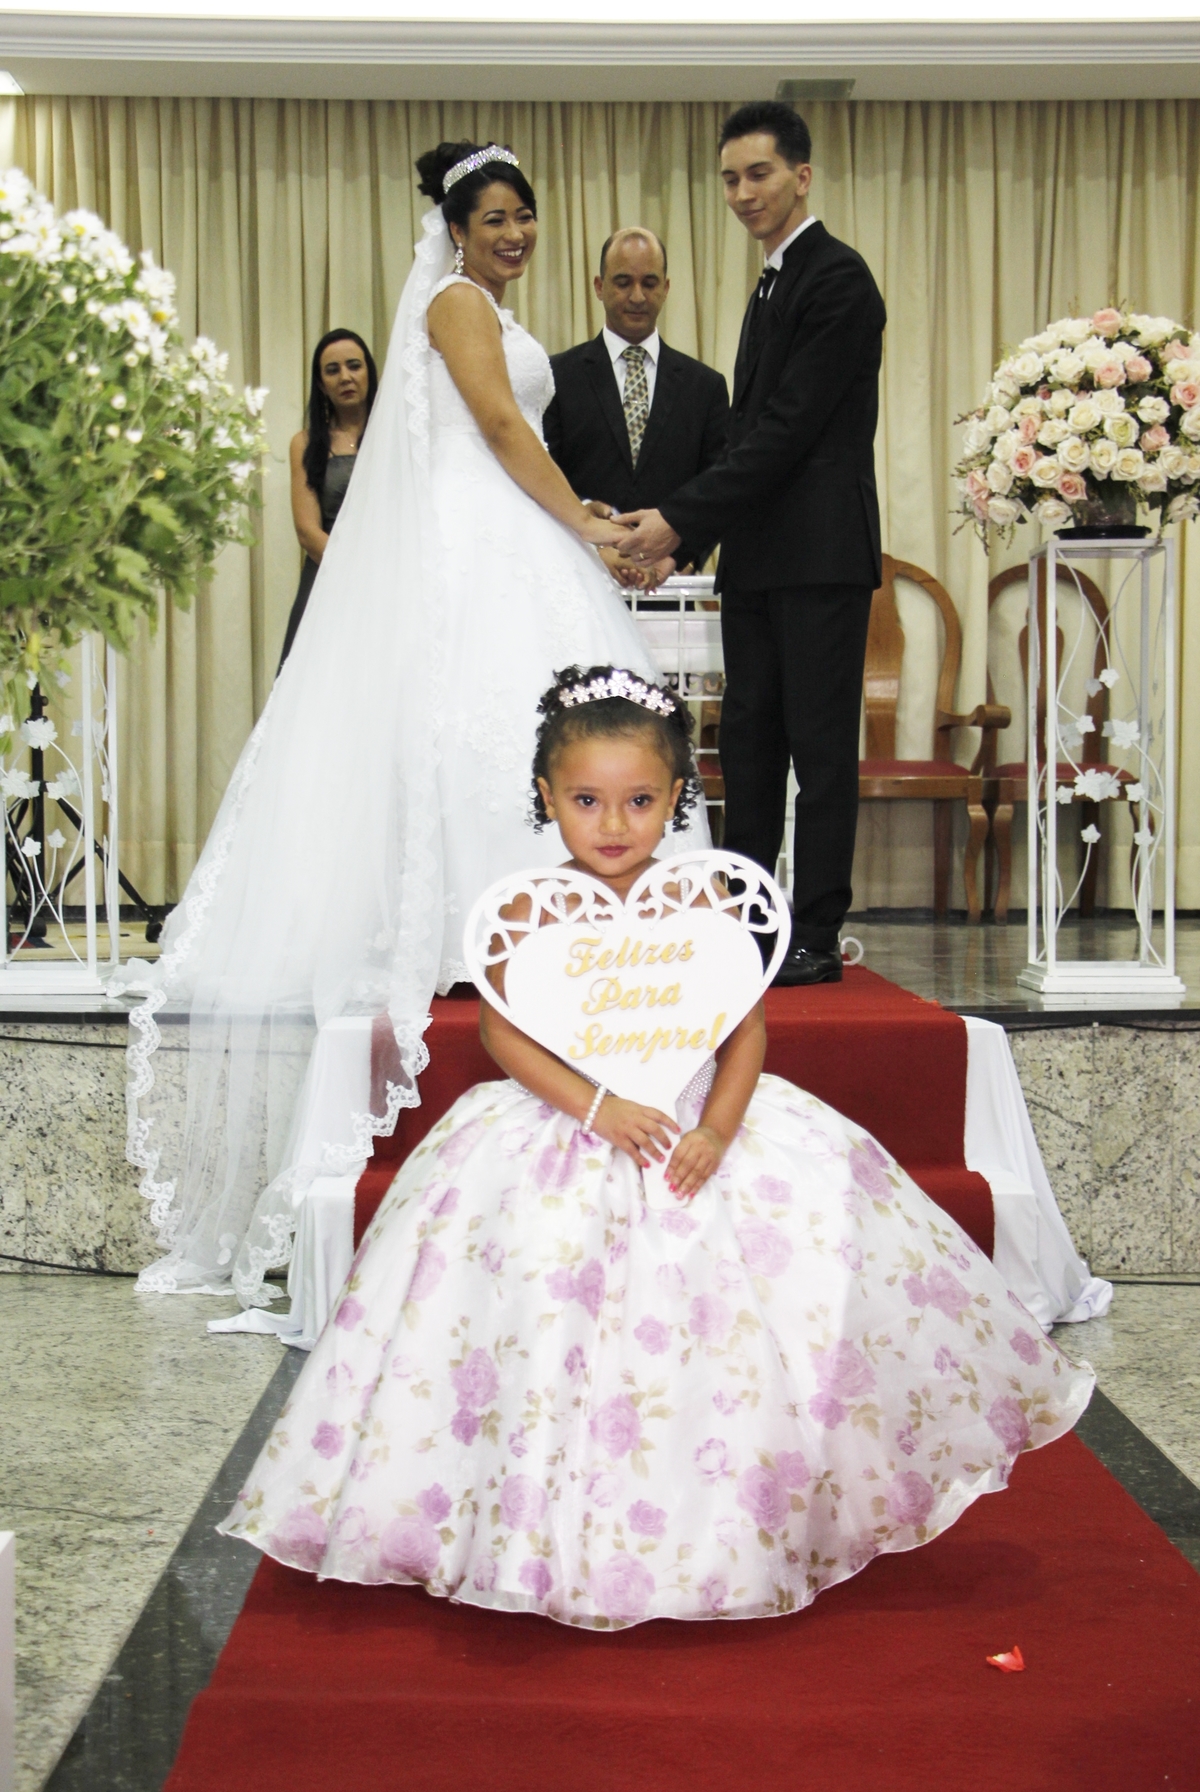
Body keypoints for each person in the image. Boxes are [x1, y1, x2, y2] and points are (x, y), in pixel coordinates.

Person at [220, 664, 1092, 1628]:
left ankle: (735, 1512)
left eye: (639, 800)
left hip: (693, 1120)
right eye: (586, 800)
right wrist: (596, 1108)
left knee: (753, 1296)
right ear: (546, 797)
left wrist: (718, 1126)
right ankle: (523, 1517)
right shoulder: (528, 914)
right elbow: (503, 1034)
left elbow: (742, 1028)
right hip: (570, 1125)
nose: (612, 824)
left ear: (678, 799)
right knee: (544, 1294)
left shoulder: (701, 905)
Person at [127, 142, 706, 1311]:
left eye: (526, 217)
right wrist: (591, 534)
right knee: (489, 723)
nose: (514, 234)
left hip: (509, 524)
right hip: (478, 539)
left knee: (535, 724)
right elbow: (499, 431)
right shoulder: (452, 303)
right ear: (453, 228)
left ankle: (573, 919)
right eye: (494, 217)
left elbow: (513, 445)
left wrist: (574, 515)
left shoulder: (476, 305)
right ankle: (484, 929)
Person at [618, 102, 886, 988]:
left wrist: (679, 519)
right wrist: (683, 543)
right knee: (751, 745)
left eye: (758, 174)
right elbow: (744, 443)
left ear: (801, 176)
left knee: (818, 747)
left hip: (821, 557)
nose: (741, 193)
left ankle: (813, 932)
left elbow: (786, 433)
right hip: (762, 559)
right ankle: (749, 917)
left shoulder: (837, 279)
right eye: (730, 178)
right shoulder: (772, 282)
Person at [544, 228, 729, 591]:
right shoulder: (555, 377)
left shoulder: (705, 387)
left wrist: (678, 558)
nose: (637, 296)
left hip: (672, 593)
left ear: (666, 287)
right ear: (598, 286)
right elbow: (541, 473)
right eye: (623, 282)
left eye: (649, 282)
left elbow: (717, 488)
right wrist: (589, 527)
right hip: (579, 585)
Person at [278, 329, 378, 672]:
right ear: (320, 384)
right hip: (327, 577)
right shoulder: (304, 443)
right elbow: (307, 532)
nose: (346, 377)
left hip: (390, 578)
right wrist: (357, 572)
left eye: (354, 366)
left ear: (370, 373)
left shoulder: (399, 437)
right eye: (332, 370)